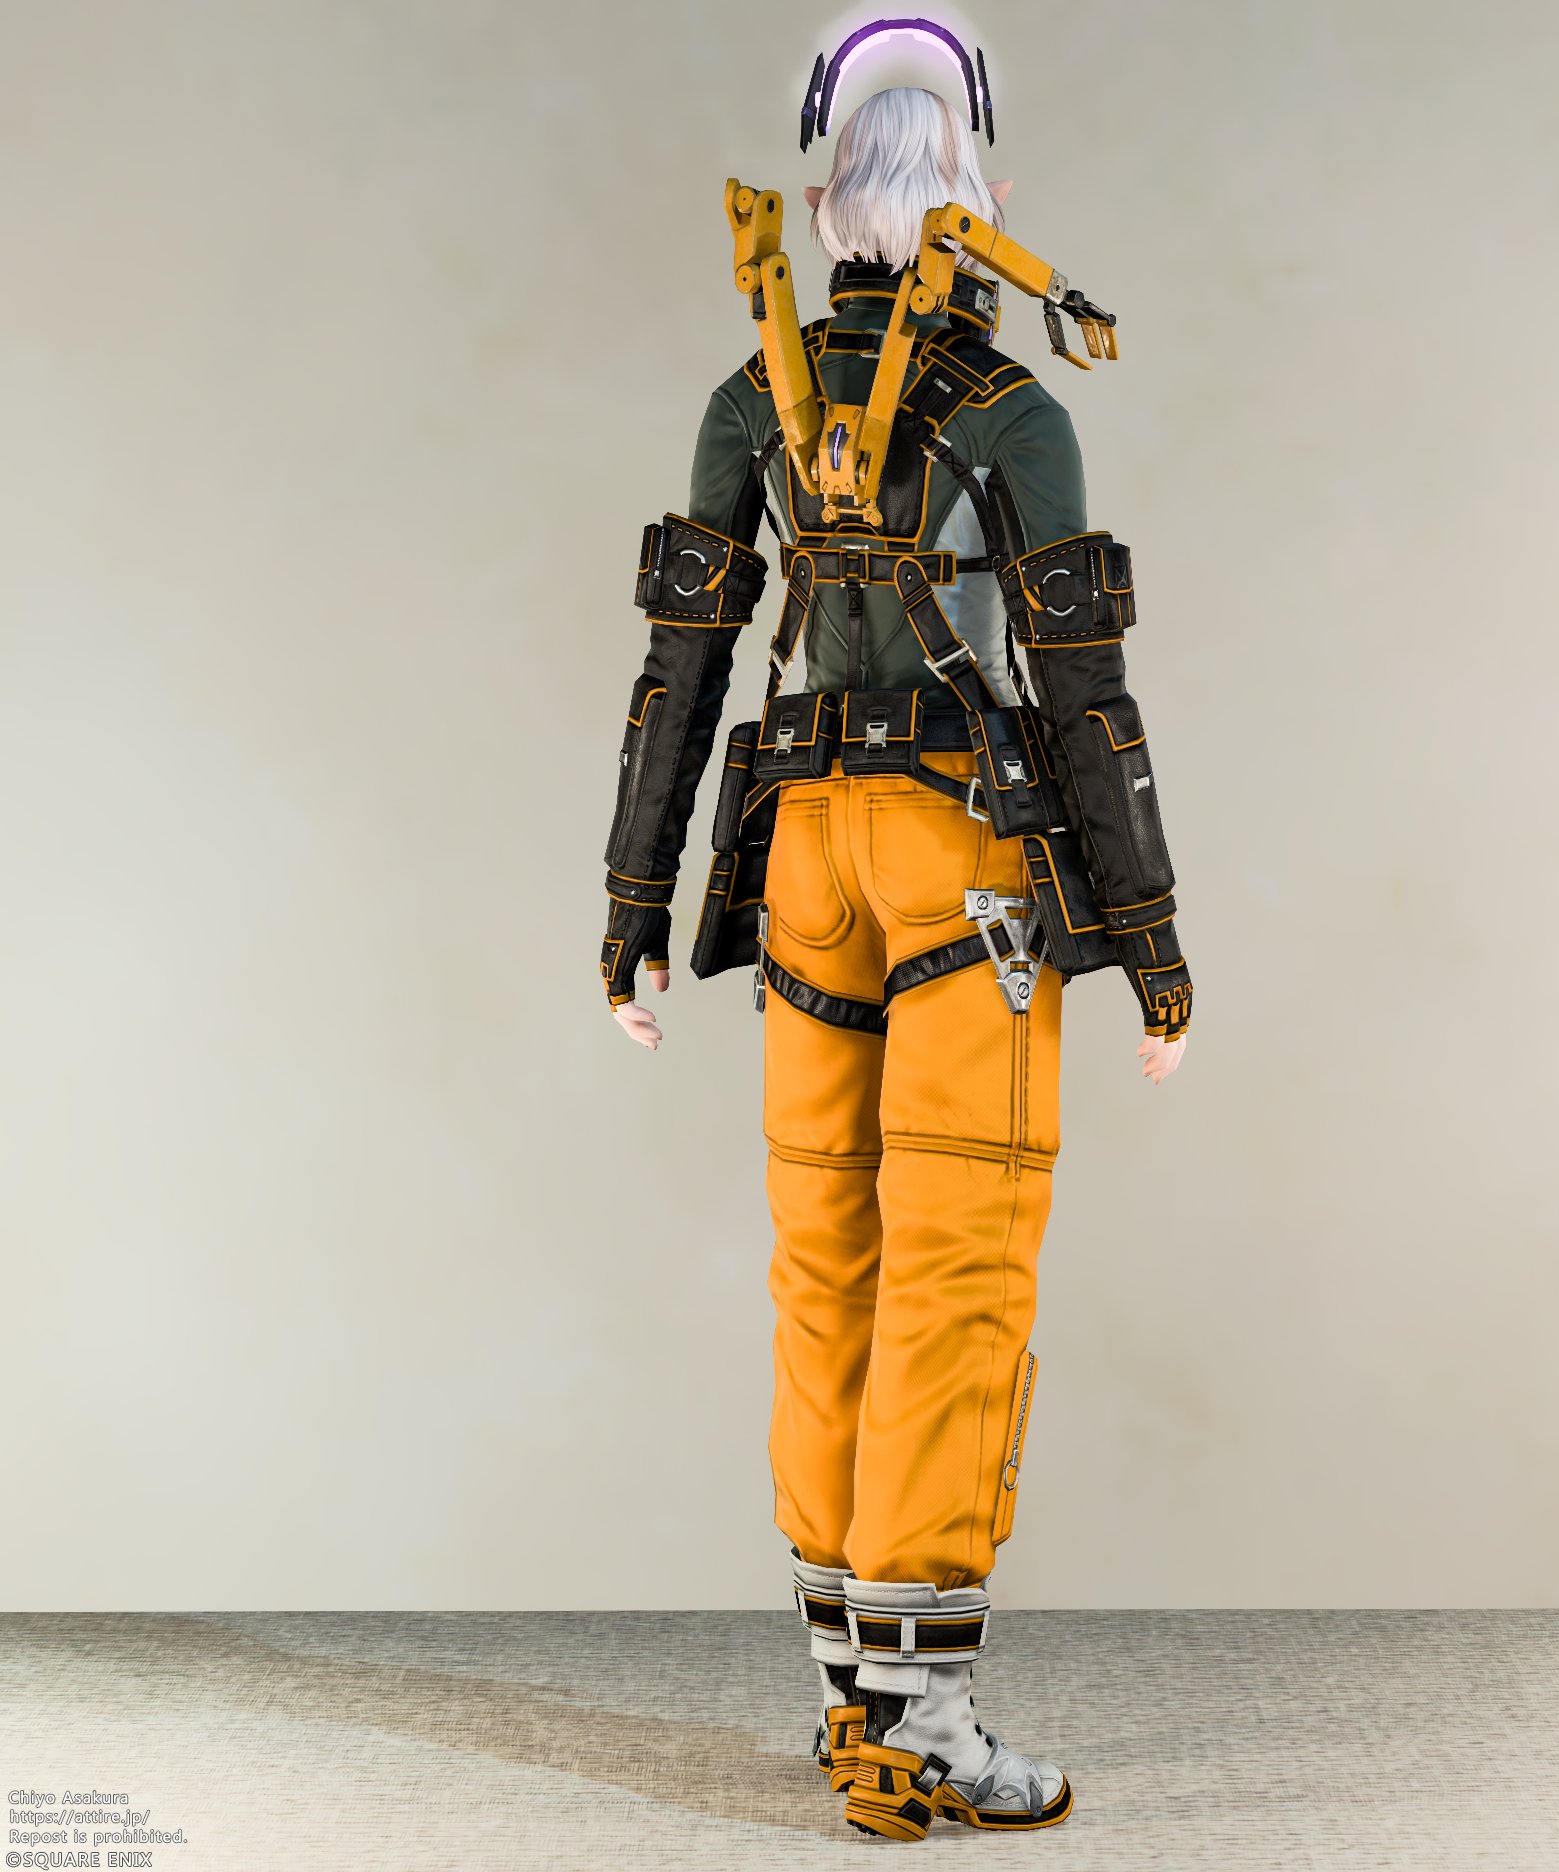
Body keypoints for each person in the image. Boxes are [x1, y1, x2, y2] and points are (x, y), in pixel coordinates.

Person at [599, 79, 1191, 1840]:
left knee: (825, 1264)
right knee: (954, 1272)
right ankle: (920, 1717)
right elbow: (1080, 691)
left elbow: (682, 669)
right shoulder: (1015, 415)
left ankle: (850, 1694)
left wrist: (633, 908)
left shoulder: (748, 401)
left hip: (801, 863)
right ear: (970, 206)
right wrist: (1153, 940)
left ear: (825, 204)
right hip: (964, 864)